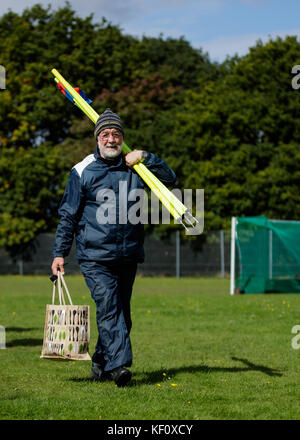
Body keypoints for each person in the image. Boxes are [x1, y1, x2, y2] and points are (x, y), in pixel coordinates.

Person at [51, 108, 176, 387]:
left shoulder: (136, 167)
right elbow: (68, 214)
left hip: (128, 253)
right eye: (105, 134)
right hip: (95, 256)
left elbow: (169, 180)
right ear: (97, 139)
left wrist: (146, 157)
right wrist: (59, 253)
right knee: (109, 308)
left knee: (122, 314)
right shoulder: (82, 170)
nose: (111, 139)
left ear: (123, 139)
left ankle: (99, 363)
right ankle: (119, 367)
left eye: (116, 134)